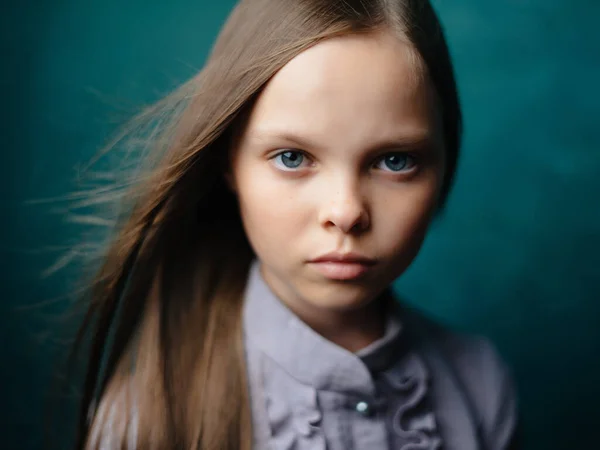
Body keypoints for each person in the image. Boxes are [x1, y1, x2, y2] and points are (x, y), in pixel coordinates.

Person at [68, 0, 519, 448]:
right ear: (229, 162)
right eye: (292, 158)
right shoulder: (145, 420)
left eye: (394, 160)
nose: (345, 213)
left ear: (443, 162)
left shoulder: (479, 386)